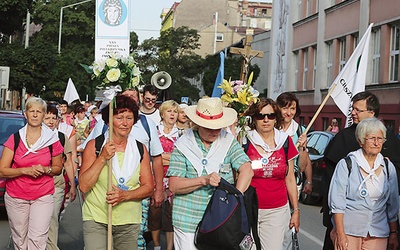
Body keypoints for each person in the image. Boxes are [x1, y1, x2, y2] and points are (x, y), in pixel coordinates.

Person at [167, 97, 254, 250]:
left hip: (220, 220)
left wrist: (235, 198)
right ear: (197, 124)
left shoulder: (228, 141)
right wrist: (203, 180)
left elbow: (247, 169)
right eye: (209, 127)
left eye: (218, 127)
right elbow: (174, 185)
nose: (214, 132)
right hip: (188, 219)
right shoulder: (183, 145)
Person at [322, 91, 400, 250]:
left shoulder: (388, 140)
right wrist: (333, 224)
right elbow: (332, 185)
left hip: (378, 228)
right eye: (353, 108)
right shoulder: (343, 138)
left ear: (372, 113)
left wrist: (394, 231)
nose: (353, 112)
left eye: (358, 110)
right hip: (347, 225)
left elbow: (393, 192)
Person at [79, 95, 154, 250]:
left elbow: (148, 187)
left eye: (129, 118)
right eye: (119, 118)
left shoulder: (140, 149)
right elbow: (84, 186)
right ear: (108, 121)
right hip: (97, 217)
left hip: (128, 220)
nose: (125, 123)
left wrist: (125, 195)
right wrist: (102, 158)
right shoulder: (95, 146)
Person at [0, 97, 63, 250]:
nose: (35, 114)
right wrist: (24, 171)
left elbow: (58, 168)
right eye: (31, 111)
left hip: (42, 195)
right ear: (26, 114)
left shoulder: (52, 140)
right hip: (16, 196)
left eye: (39, 111)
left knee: (37, 239)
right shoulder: (15, 139)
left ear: (43, 115)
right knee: (20, 239)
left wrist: (46, 169)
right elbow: (2, 170)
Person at [242, 98, 300, 250]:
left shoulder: (285, 142)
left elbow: (290, 179)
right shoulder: (244, 141)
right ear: (254, 118)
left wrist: (296, 210)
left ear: (276, 118)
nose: (266, 120)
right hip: (248, 209)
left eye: (271, 115)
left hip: (277, 210)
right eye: (261, 116)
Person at [276, 92, 312, 250]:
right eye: (285, 108)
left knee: (288, 225)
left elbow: (302, 166)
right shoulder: (271, 126)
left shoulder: (300, 130)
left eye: (292, 108)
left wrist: (303, 148)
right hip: (273, 181)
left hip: (292, 183)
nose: (288, 112)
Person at [43, 104, 77, 250]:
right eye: (47, 118)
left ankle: (51, 247)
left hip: (56, 185)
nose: (51, 121)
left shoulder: (62, 138)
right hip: (36, 185)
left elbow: (68, 162)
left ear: (58, 120)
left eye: (54, 118)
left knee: (51, 219)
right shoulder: (33, 137)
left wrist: (73, 186)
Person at [148, 100, 180, 250]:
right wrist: (165, 156)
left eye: (175, 111)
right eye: (169, 111)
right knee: (154, 212)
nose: (172, 114)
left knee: (171, 215)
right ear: (162, 113)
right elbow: (152, 155)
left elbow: (180, 157)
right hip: (155, 176)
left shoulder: (181, 134)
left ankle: (169, 247)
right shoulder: (154, 131)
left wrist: (162, 156)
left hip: (174, 177)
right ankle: (156, 245)